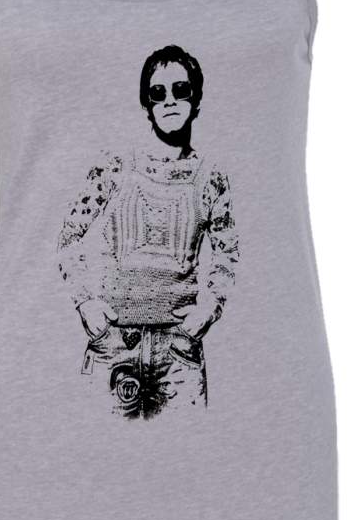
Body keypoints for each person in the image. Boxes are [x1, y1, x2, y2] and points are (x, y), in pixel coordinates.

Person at [55, 44, 240, 419]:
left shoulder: (212, 179)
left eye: (180, 90)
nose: (170, 100)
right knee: (95, 445)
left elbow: (227, 254)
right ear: (146, 105)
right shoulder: (116, 166)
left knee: (191, 449)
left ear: (196, 100)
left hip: (179, 353)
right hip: (113, 346)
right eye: (158, 93)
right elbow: (69, 237)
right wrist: (85, 303)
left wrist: (207, 311)